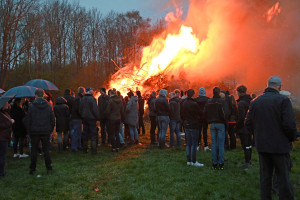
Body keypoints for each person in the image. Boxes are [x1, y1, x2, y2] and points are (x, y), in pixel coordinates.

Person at [245, 76, 297, 200]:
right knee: (283, 178)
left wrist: (258, 135)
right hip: (280, 146)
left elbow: (248, 123)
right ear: (280, 86)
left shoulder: (256, 101)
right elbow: (289, 124)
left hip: (263, 145)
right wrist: (291, 137)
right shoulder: (283, 101)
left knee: (265, 178)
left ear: (267, 85)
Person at [27, 89, 55, 174]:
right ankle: (49, 168)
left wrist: (29, 131)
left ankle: (32, 169)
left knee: (34, 150)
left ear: (36, 95)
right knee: (46, 150)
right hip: (45, 131)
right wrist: (50, 130)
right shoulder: (48, 106)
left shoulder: (32, 106)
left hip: (34, 131)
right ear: (43, 95)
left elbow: (29, 120)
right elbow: (52, 120)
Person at [204, 87, 226, 170]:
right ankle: (221, 163)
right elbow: (225, 113)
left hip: (212, 124)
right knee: (220, 144)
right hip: (220, 123)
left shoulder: (209, 101)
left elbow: (205, 112)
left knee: (214, 144)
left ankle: (214, 162)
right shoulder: (222, 102)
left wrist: (208, 120)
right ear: (219, 92)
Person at [182, 89, 204, 167]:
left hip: (186, 124)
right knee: (194, 144)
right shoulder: (194, 104)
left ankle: (189, 161)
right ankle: (194, 161)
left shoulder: (184, 103)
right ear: (193, 95)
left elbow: (182, 114)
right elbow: (200, 113)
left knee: (188, 143)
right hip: (194, 125)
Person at [236, 85, 253, 170]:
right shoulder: (251, 101)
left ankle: (247, 163)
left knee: (245, 145)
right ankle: (249, 160)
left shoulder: (241, 103)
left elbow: (241, 117)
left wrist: (238, 127)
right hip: (250, 126)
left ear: (239, 92)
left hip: (243, 127)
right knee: (249, 144)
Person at [79, 87, 99, 154]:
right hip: (92, 119)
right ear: (89, 91)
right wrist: (97, 118)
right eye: (92, 90)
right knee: (93, 134)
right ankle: (94, 150)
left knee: (85, 133)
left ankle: (85, 149)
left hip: (84, 119)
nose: (93, 91)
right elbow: (95, 110)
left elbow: (80, 109)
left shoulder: (82, 99)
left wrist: (82, 115)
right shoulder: (92, 99)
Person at [0, 100, 14, 177]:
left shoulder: (5, 113)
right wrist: (10, 122)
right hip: (2, 138)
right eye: (6, 103)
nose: (8, 104)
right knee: (2, 156)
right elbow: (2, 125)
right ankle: (1, 173)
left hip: (4, 137)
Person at [194, 87, 210, 151]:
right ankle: (206, 145)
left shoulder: (196, 100)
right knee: (205, 131)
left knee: (198, 131)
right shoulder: (208, 99)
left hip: (198, 117)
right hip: (205, 117)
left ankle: (198, 144)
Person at [70, 87, 85, 151]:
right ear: (82, 92)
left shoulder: (77, 98)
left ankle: (78, 146)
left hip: (74, 117)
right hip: (77, 118)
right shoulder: (79, 99)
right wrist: (82, 115)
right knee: (76, 133)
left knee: (78, 133)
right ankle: (74, 147)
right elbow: (78, 109)